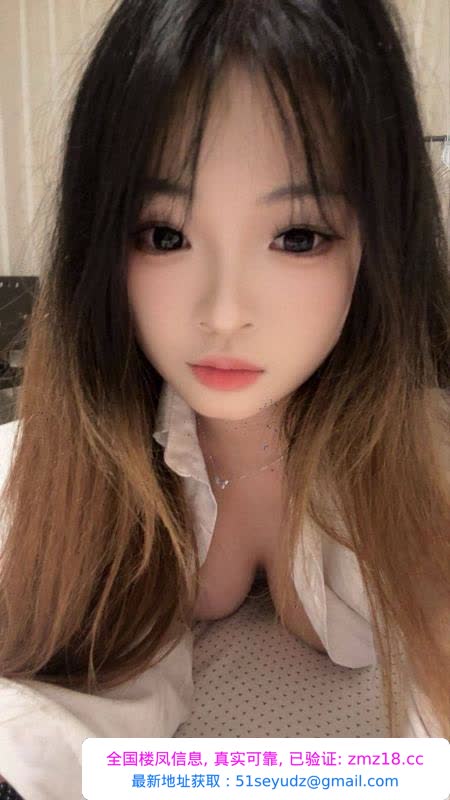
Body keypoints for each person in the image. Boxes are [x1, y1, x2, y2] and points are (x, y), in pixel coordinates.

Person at [0, 0, 449, 797]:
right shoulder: (50, 474)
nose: (224, 310)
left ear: (379, 242)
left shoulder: (425, 462)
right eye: (164, 235)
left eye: (298, 236)